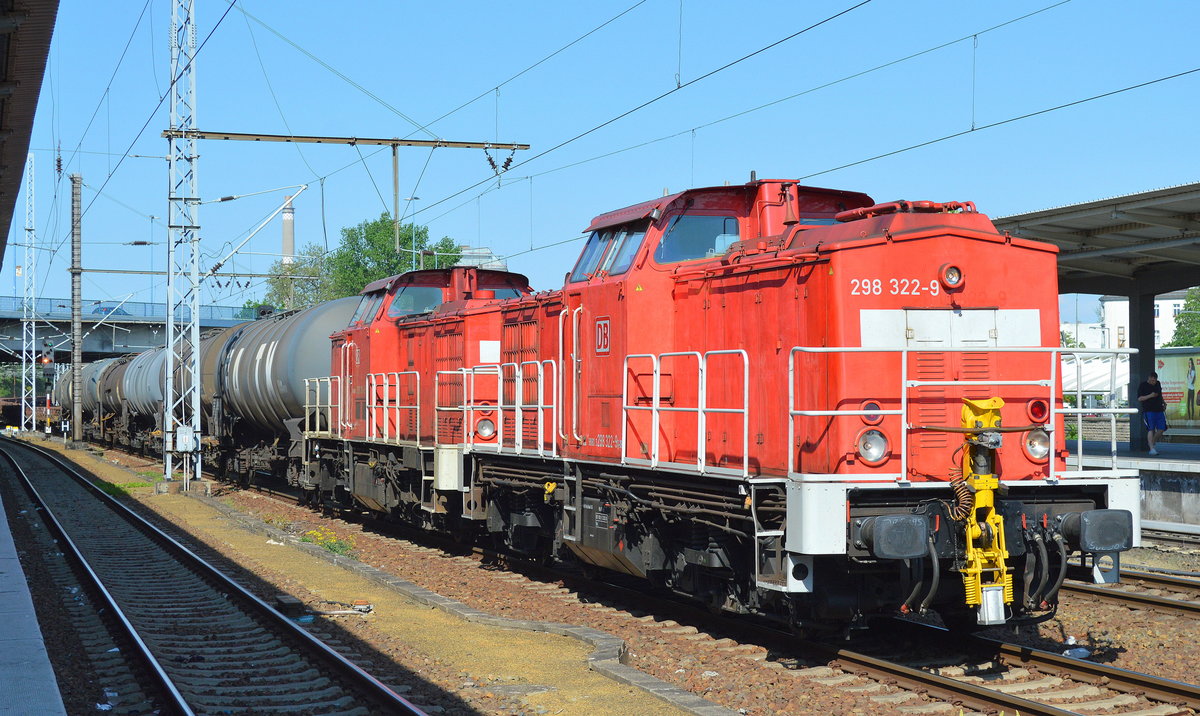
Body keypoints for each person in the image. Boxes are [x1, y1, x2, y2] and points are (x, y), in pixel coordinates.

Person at [1137, 372, 1167, 456]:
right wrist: (1150, 396)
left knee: (1162, 428)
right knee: (1151, 429)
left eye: (1154, 380)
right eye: (1152, 380)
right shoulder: (1143, 385)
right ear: (1149, 378)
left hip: (1159, 410)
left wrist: (1163, 402)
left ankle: (1152, 442)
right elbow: (1140, 398)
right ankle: (1151, 448)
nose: (1153, 382)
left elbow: (1160, 394)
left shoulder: (1158, 384)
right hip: (1148, 410)